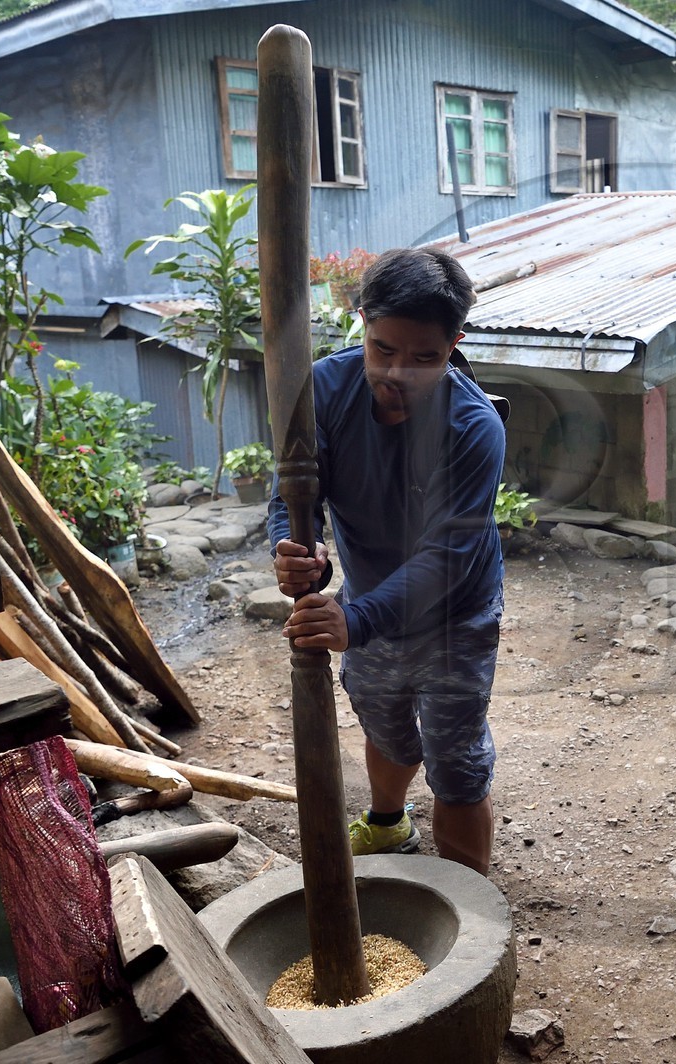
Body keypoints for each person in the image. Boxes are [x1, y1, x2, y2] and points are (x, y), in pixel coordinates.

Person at [268, 246, 505, 876]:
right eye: (383, 349)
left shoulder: (474, 426)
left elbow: (448, 557)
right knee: (386, 723)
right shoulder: (322, 388)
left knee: (454, 760)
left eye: (425, 357)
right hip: (371, 602)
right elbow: (293, 492)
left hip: (457, 615)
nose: (399, 371)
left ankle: (469, 903)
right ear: (362, 322)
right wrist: (294, 550)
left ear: (453, 343)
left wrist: (357, 620)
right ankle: (388, 823)